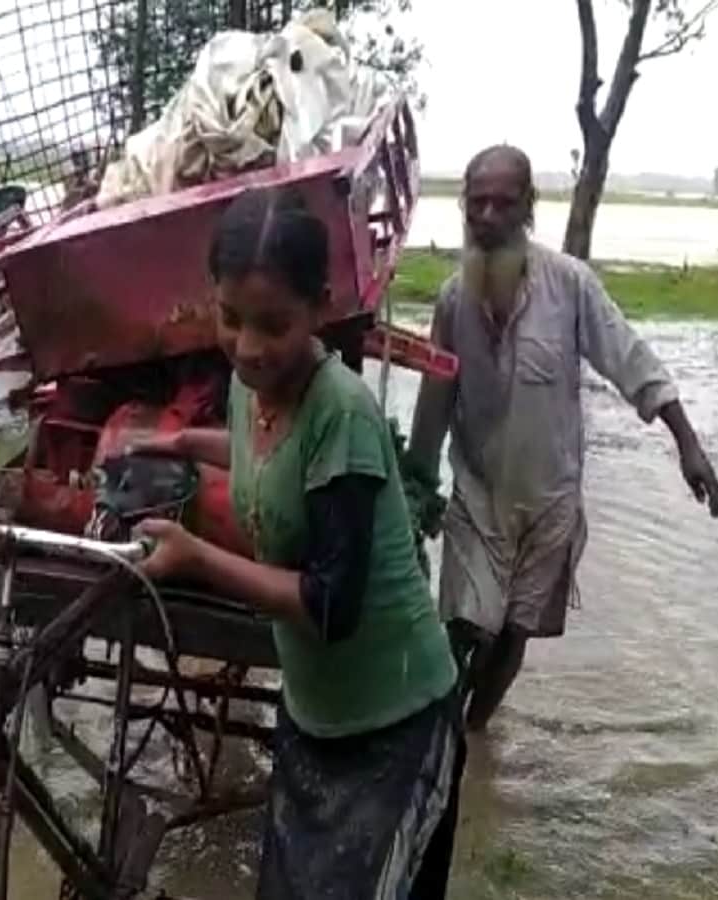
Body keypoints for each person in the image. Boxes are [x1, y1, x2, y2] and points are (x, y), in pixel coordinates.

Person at [132, 186, 464, 899]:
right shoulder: (252, 387)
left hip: (394, 721)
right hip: (313, 712)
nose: (248, 348)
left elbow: (329, 605)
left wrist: (196, 558)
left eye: (274, 325)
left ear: (320, 307)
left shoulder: (339, 410)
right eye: (230, 319)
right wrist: (185, 443)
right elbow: (267, 459)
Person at [407, 145, 718, 733]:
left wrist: (689, 444)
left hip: (551, 502)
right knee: (463, 625)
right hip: (478, 497)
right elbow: (435, 396)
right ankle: (443, 737)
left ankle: (472, 740)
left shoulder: (571, 286)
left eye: (502, 203)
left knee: (514, 634)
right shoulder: (454, 299)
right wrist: (417, 487)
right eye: (475, 202)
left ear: (528, 208)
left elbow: (631, 360)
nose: (486, 215)